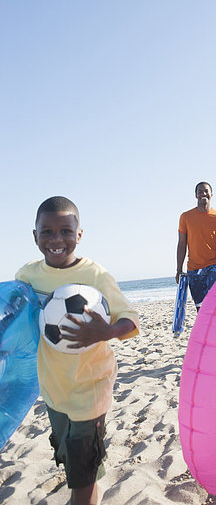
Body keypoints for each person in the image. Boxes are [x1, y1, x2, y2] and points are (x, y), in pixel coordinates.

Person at [15, 196, 140, 505]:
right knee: (77, 464)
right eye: (47, 232)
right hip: (54, 390)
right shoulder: (27, 276)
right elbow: (18, 321)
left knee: (81, 473)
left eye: (65, 231)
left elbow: (130, 319)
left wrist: (108, 331)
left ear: (79, 234)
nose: (56, 239)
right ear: (35, 236)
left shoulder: (95, 276)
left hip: (91, 387)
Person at [176, 182, 216, 311]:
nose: (203, 194)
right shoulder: (185, 217)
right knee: (200, 308)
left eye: (206, 191)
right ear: (196, 195)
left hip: (215, 265)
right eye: (200, 191)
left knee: (215, 304)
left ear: (212, 194)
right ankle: (206, 330)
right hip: (194, 268)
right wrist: (179, 269)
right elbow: (182, 244)